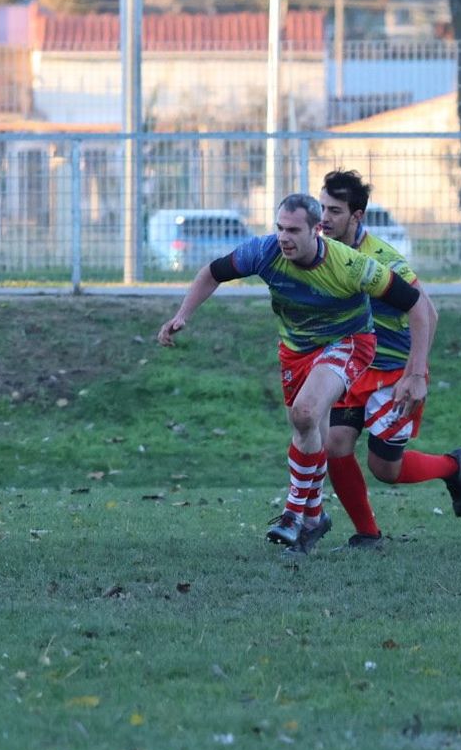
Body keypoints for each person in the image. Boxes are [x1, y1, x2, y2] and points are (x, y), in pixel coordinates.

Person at [157, 193, 433, 552]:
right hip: (296, 350)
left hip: (349, 341)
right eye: (279, 228)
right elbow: (212, 273)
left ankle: (292, 513)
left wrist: (416, 371)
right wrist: (182, 315)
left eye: (293, 230)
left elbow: (417, 306)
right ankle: (315, 517)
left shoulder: (350, 265)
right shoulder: (265, 252)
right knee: (307, 429)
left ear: (317, 230)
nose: (283, 237)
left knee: (305, 412)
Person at [317, 170, 461, 550]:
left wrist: (415, 374)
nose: (324, 218)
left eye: (334, 211)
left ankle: (453, 467)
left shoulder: (384, 259)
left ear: (357, 216)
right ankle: (367, 534)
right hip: (352, 368)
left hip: (393, 372)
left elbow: (427, 313)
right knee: (336, 443)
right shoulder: (319, 252)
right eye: (322, 208)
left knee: (385, 468)